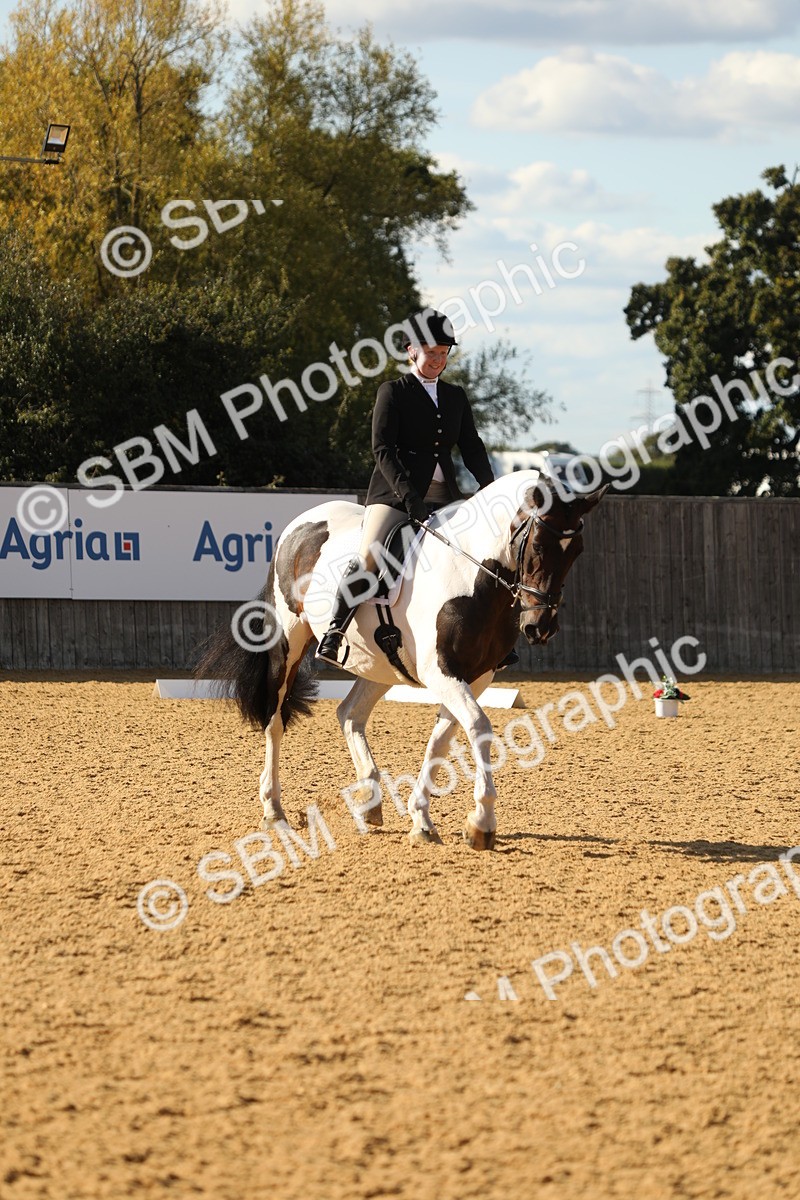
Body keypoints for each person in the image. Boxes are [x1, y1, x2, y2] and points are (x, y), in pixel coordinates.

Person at [316, 307, 502, 668]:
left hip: (444, 495)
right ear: (411, 351)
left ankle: (493, 638)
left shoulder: (455, 397)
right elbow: (382, 449)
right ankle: (335, 630)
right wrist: (409, 497)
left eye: (443, 354)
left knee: (478, 557)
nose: (437, 360)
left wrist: (489, 488)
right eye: (431, 353)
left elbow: (472, 447)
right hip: (394, 493)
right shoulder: (393, 392)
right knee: (370, 554)